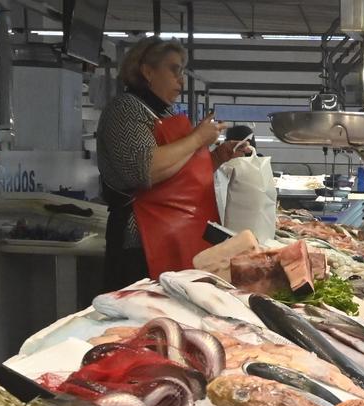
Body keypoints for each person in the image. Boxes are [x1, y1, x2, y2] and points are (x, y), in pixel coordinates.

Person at [96, 37, 249, 291]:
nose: (181, 80)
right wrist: (198, 137)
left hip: (175, 235)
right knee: (144, 319)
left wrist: (217, 157)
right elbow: (145, 170)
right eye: (174, 70)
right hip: (141, 241)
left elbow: (180, 177)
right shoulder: (127, 110)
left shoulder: (163, 114)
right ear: (147, 71)